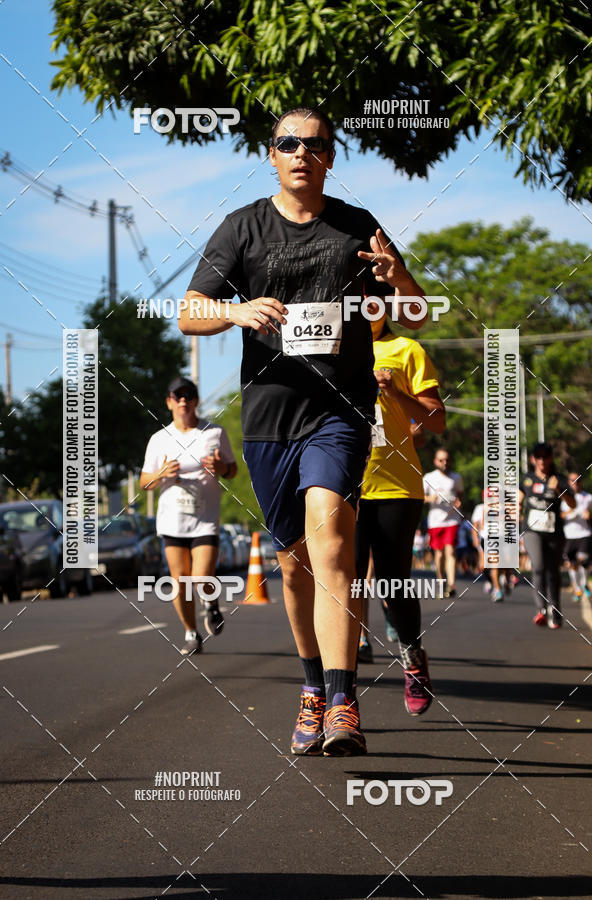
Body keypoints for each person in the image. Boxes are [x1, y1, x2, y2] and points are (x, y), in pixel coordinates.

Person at [179, 106, 427, 756]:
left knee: (333, 547)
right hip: (268, 420)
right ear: (272, 154)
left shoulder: (357, 225)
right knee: (293, 568)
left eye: (315, 144)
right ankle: (313, 684)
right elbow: (188, 312)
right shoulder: (243, 228)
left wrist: (397, 279)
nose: (302, 153)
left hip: (339, 414)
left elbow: (417, 313)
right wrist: (234, 310)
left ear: (330, 156)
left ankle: (344, 702)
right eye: (290, 142)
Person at [355, 305, 445, 716]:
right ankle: (337, 690)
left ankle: (413, 660)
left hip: (395, 485)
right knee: (343, 583)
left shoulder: (406, 349)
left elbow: (437, 420)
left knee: (393, 582)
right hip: (341, 485)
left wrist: (395, 393)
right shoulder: (329, 350)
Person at [140, 376, 237, 654]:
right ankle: (191, 633)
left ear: (195, 400)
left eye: (188, 395)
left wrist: (220, 466)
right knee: (179, 581)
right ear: (169, 402)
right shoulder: (159, 439)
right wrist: (161, 474)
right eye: (177, 396)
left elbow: (232, 471)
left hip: (205, 518)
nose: (183, 400)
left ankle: (210, 603)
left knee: (201, 575)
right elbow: (144, 482)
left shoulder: (214, 432)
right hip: (172, 520)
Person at [519, 442, 575, 628]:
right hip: (532, 531)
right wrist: (515, 509)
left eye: (546, 457)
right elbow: (518, 500)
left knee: (553, 571)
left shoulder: (559, 478)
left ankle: (556, 610)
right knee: (538, 566)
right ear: (533, 459)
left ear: (551, 458)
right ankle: (541, 609)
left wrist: (559, 489)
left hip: (554, 532)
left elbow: (573, 503)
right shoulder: (527, 479)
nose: (542, 460)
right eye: (539, 457)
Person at [423, 449, 464, 597]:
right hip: (435, 521)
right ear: (435, 461)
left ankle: (451, 585)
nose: (444, 463)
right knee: (439, 554)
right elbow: (420, 496)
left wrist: (459, 502)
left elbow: (460, 494)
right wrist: (430, 498)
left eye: (447, 460)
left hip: (452, 520)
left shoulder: (456, 478)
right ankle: (441, 581)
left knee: (450, 551)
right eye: (441, 460)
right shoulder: (429, 477)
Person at [471, 489, 513, 602]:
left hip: (503, 538)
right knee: (493, 565)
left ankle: (507, 581)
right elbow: (475, 525)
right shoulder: (480, 508)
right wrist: (475, 539)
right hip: (488, 538)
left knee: (507, 564)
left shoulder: (503, 507)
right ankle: (497, 589)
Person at [561, 473, 592, 601]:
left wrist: (588, 515)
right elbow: (561, 515)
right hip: (569, 534)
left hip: (584, 533)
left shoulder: (588, 497)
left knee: (582, 558)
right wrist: (572, 512)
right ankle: (578, 586)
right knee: (572, 562)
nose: (576, 483)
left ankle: (583, 583)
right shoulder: (564, 496)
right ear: (569, 482)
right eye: (573, 481)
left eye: (578, 481)